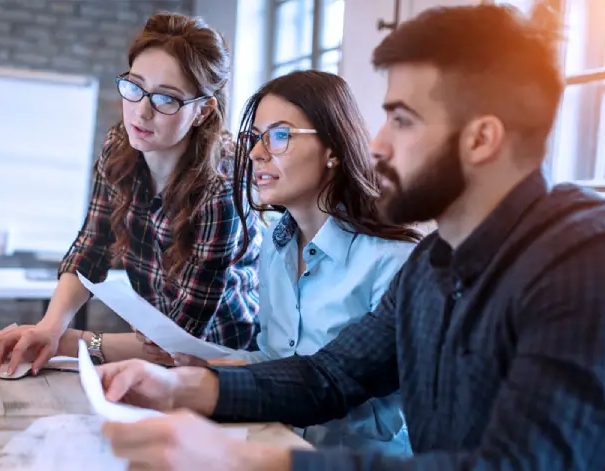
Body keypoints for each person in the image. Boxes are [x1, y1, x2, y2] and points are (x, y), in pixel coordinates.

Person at [93, 4, 605, 471]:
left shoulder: (599, 259)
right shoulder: (432, 266)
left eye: (401, 119)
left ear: (482, 139)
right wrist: (182, 388)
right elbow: (328, 376)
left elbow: (520, 462)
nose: (375, 145)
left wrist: (251, 459)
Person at [0, 13, 264, 375]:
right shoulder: (120, 147)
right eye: (134, 87)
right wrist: (50, 327)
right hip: (159, 358)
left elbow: (176, 340)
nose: (141, 112)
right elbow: (92, 246)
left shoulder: (220, 189)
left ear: (203, 110)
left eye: (167, 99)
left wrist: (69, 341)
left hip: (225, 364)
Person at [155, 69, 421, 454]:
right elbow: (274, 357)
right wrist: (203, 366)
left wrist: (209, 385)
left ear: (333, 148)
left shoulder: (392, 263)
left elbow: (336, 384)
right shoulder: (275, 248)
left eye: (279, 136)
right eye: (254, 138)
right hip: (273, 446)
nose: (256, 154)